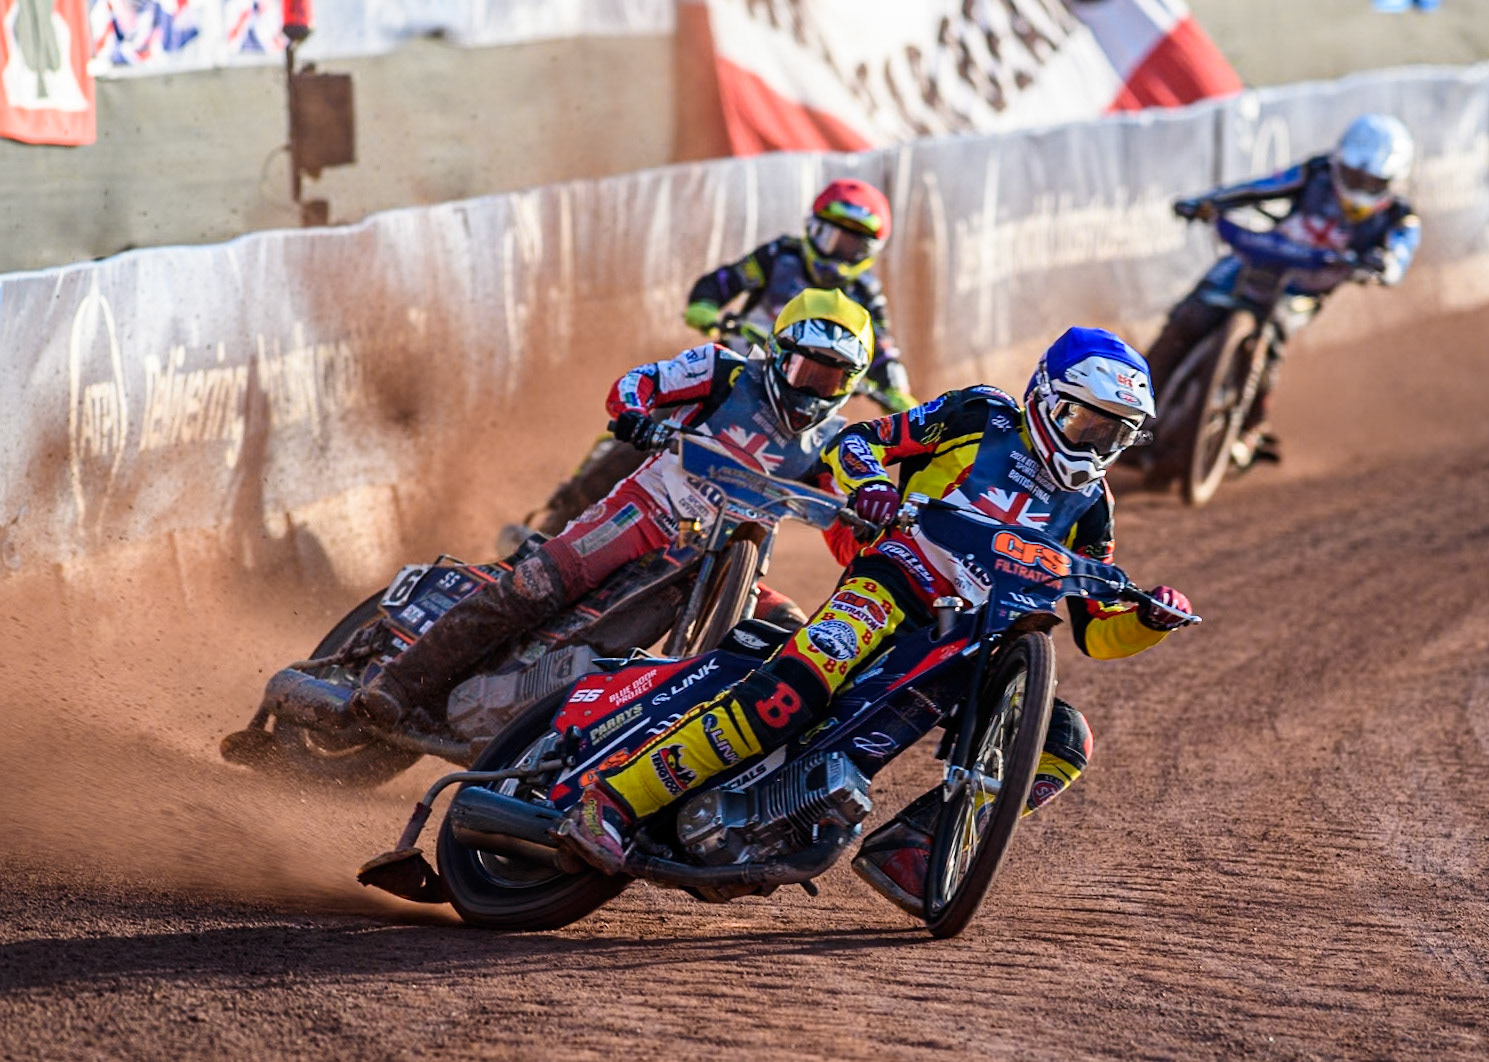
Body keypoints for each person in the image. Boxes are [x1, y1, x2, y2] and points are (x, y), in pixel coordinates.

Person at [560, 327, 1196, 919]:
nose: (1093, 443)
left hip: (979, 644)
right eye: (1085, 420)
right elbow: (857, 442)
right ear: (1045, 398)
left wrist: (1150, 618)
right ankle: (612, 801)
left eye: (1114, 434)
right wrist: (870, 484)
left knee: (1064, 742)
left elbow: (1095, 631)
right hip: (895, 581)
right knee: (793, 691)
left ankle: (918, 850)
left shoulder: (1093, 504)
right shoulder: (981, 414)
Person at [335, 289, 877, 733]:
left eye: (830, 378)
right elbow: (638, 383)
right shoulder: (725, 373)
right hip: (644, 516)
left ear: (850, 384)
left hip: (726, 566)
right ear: (780, 354)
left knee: (791, 631)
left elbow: (844, 527)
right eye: (807, 369)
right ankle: (398, 685)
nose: (814, 389)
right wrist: (638, 417)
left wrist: (869, 534)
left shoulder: (834, 443)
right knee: (532, 586)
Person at [528, 178, 917, 539]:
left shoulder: (865, 294)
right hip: (734, 377)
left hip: (795, 399)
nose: (842, 253)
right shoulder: (778, 256)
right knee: (654, 424)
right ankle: (565, 512)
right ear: (813, 229)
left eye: (855, 246)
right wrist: (705, 307)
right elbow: (722, 281)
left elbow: (883, 347)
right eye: (835, 239)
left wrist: (899, 391)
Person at [1144, 113, 1422, 468]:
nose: (1360, 187)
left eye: (1373, 181)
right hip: (1257, 260)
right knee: (1188, 319)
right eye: (1354, 176)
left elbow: (1399, 256)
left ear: (1393, 180)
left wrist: (1383, 266)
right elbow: (1258, 188)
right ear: (1340, 163)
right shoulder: (1316, 172)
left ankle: (1250, 430)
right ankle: (1130, 410)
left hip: (1303, 292)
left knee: (1270, 342)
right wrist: (1207, 202)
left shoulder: (1400, 217)